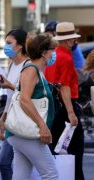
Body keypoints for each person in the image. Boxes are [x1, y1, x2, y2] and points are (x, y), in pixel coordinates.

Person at [7, 34, 58, 180]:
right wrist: (43, 126)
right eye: (51, 50)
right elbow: (24, 100)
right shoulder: (31, 69)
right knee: (51, 174)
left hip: (20, 133)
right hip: (30, 132)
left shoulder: (35, 69)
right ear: (43, 52)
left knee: (20, 176)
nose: (53, 54)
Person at [44, 22, 85, 180]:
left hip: (53, 107)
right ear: (68, 41)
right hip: (66, 107)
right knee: (75, 151)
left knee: (55, 150)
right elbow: (64, 87)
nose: (75, 42)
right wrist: (71, 113)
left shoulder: (52, 56)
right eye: (74, 39)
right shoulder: (66, 58)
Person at [0, 29, 29, 180]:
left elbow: (27, 94)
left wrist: (10, 86)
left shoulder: (28, 65)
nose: (6, 47)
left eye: (9, 43)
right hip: (12, 119)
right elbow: (10, 98)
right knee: (5, 163)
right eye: (6, 43)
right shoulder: (12, 65)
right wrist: (3, 117)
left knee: (10, 163)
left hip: (24, 119)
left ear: (20, 46)